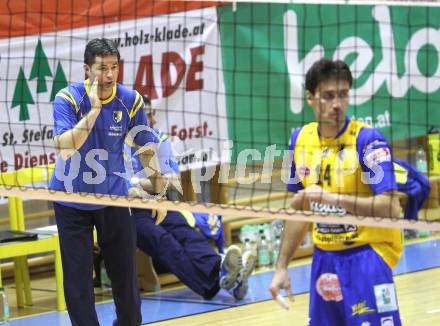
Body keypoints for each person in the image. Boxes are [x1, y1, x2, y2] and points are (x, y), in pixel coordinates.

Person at [269, 59, 403, 326]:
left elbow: (392, 208)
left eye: (342, 95)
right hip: (325, 260)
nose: (337, 104)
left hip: (367, 257)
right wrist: (282, 266)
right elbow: (300, 211)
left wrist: (336, 199)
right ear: (310, 98)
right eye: (328, 96)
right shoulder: (297, 141)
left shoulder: (368, 140)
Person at [50, 39, 163, 326]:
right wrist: (95, 110)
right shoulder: (68, 98)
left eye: (114, 67)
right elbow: (65, 147)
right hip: (71, 199)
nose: (109, 75)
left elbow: (145, 146)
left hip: (113, 197)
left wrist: (159, 190)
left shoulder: (131, 99)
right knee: (78, 284)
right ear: (87, 69)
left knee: (125, 277)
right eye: (102, 69)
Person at [127, 96, 256, 300]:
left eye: (152, 113)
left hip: (157, 202)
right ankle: (221, 282)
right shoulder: (118, 144)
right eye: (146, 114)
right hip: (128, 212)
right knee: (164, 242)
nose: (151, 119)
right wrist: (148, 184)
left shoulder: (159, 138)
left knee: (185, 231)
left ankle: (224, 271)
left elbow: (171, 179)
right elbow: (124, 189)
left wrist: (139, 184)